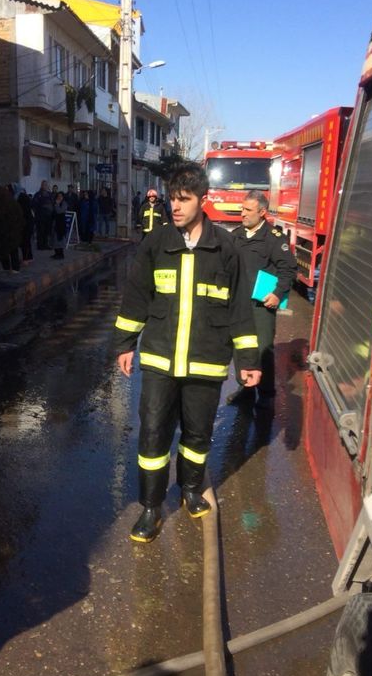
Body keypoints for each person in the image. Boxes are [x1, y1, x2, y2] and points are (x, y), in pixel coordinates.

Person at [114, 163, 261, 543]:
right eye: (172, 199)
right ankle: (151, 507)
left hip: (205, 363)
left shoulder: (225, 248)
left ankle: (191, 489)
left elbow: (240, 308)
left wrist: (248, 361)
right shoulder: (156, 243)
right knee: (153, 435)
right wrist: (126, 344)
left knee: (197, 434)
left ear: (202, 200)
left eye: (183, 199)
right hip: (160, 361)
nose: (175, 207)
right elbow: (136, 297)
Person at [228, 190, 297, 406]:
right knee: (241, 346)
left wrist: (277, 294)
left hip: (261, 305)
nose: (243, 214)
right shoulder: (236, 235)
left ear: (262, 212)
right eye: (242, 209)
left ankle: (266, 393)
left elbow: (288, 270)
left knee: (263, 348)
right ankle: (245, 389)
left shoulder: (273, 238)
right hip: (238, 303)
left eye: (248, 210)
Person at [0, 182, 24, 272]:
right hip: (8, 229)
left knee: (8, 248)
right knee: (10, 248)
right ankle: (12, 267)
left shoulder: (1, 203)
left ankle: (10, 267)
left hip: (7, 229)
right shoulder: (8, 201)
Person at [32, 180, 53, 250]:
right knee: (41, 231)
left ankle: (46, 244)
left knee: (47, 231)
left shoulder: (50, 194)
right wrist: (43, 206)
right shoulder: (38, 194)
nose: (45, 186)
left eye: (46, 185)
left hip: (48, 216)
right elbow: (34, 204)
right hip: (40, 216)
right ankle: (40, 245)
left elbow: (52, 202)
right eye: (44, 185)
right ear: (41, 186)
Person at [51, 190, 67, 259]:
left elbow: (59, 211)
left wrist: (57, 204)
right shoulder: (55, 203)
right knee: (54, 238)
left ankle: (61, 254)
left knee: (60, 239)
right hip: (55, 223)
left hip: (61, 224)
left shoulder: (64, 203)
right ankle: (56, 253)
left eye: (61, 196)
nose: (59, 197)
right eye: (58, 196)